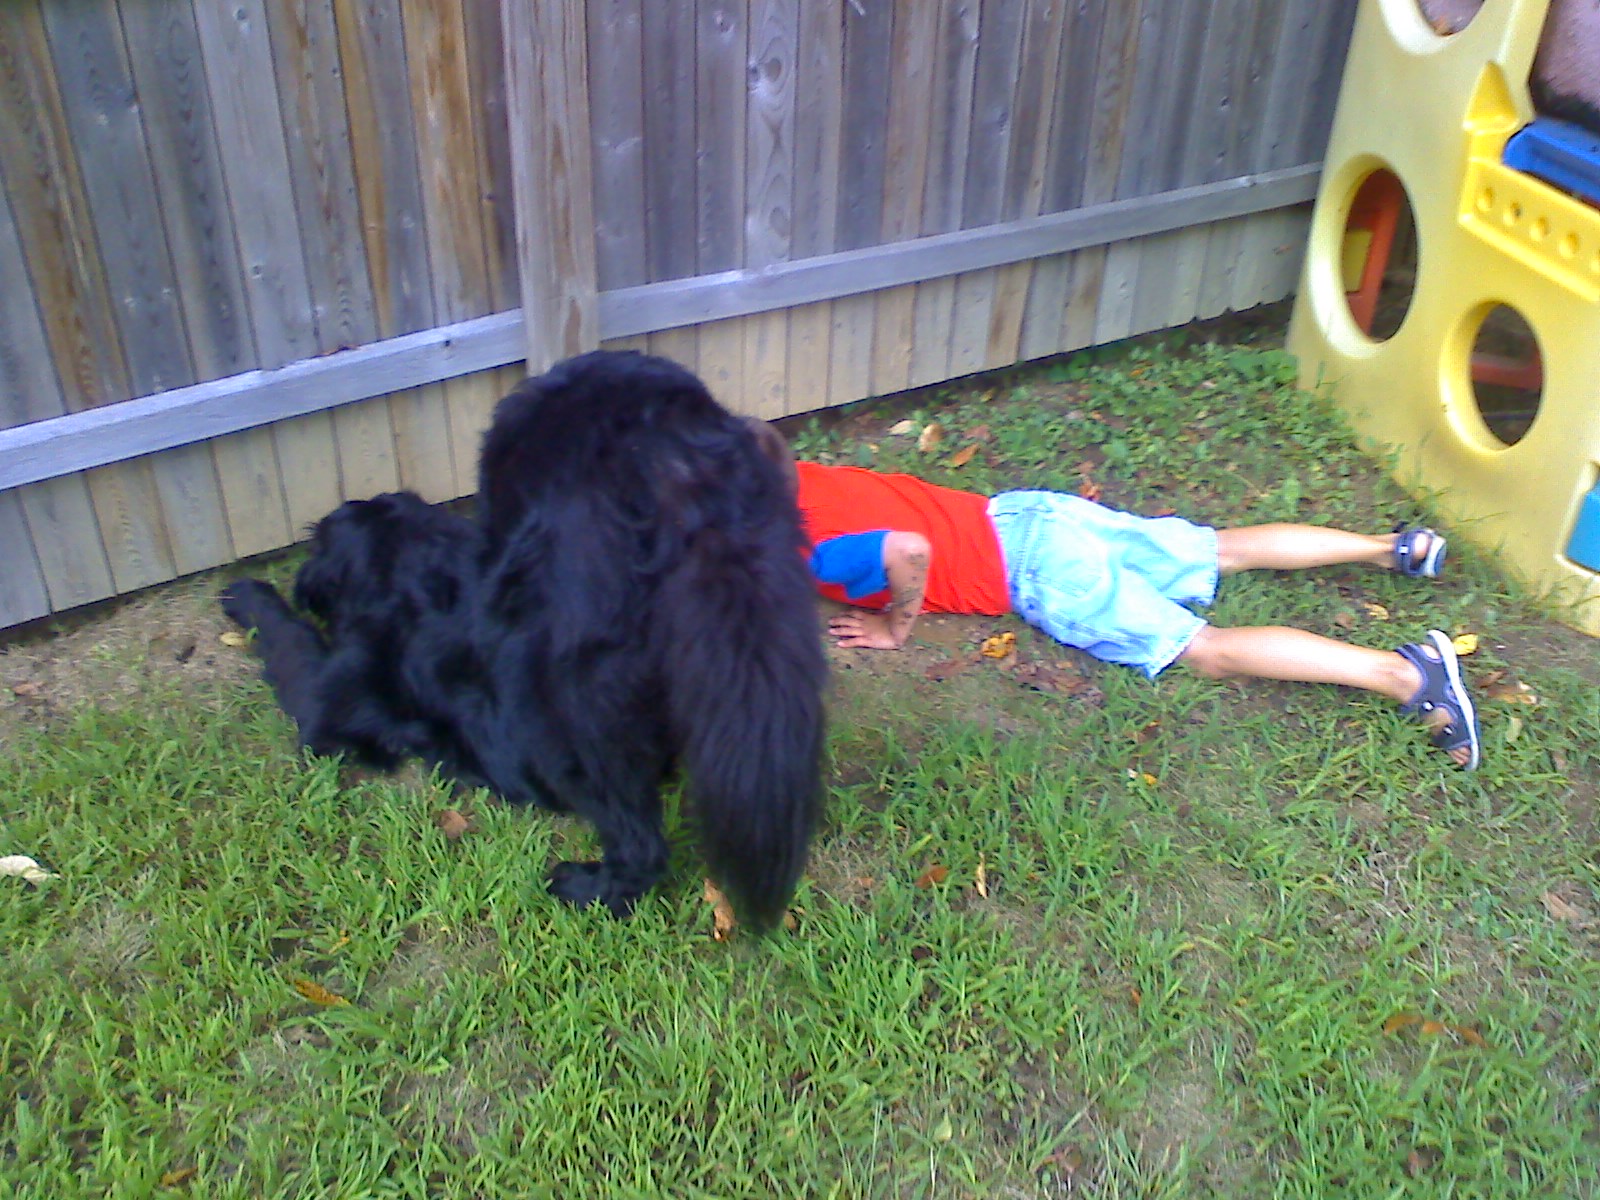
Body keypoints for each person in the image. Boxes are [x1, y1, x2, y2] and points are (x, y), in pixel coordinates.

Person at [758, 428, 1480, 770]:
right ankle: (1395, 548)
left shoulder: (805, 540)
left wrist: (895, 625)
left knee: (1205, 650)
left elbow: (906, 550)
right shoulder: (797, 474)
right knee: (1220, 548)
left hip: (1039, 569)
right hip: (1028, 514)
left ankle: (1405, 674)